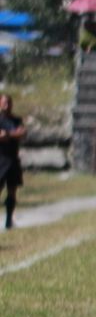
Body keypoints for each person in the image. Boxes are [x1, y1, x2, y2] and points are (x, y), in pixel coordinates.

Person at [0, 94, 24, 230]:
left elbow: (22, 133)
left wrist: (8, 134)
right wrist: (13, 134)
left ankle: (9, 220)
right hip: (1, 159)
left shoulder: (16, 120)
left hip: (13, 159)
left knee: (12, 191)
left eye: (9, 103)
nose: (7, 105)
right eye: (4, 103)